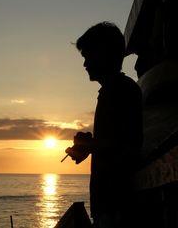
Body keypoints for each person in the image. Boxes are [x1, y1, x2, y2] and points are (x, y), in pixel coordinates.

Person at [65, 22, 143, 228]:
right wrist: (90, 146)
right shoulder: (113, 91)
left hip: (118, 207)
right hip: (110, 206)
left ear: (103, 53)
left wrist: (90, 146)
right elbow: (115, 142)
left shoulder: (122, 91)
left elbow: (129, 146)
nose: (85, 64)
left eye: (87, 56)